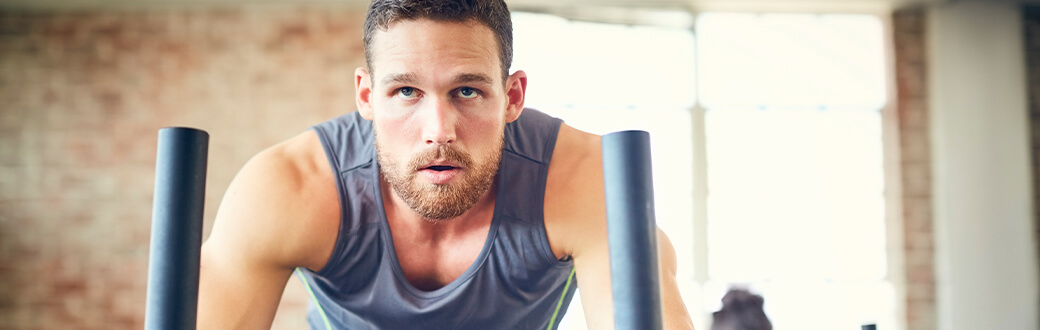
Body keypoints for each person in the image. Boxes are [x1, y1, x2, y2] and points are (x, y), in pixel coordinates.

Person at [196, 0, 694, 328]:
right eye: (406, 91)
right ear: (367, 96)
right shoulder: (289, 187)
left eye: (467, 90)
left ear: (512, 96)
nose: (439, 129)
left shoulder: (584, 181)